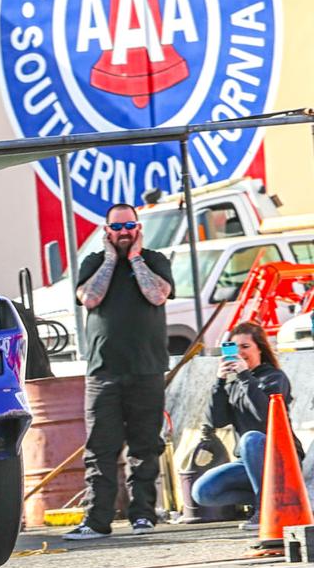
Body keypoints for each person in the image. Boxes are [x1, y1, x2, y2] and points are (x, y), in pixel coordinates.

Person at [63, 203, 174, 541]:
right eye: (117, 227)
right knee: (100, 449)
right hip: (103, 373)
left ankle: (143, 516)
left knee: (145, 447)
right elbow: (89, 298)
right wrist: (111, 260)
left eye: (129, 226)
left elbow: (158, 295)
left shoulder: (155, 260)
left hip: (147, 371)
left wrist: (136, 258)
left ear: (138, 228)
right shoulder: (94, 262)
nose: (123, 233)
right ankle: (97, 520)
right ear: (106, 231)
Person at [191, 321, 301, 531]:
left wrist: (244, 376)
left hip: (281, 457)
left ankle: (265, 510)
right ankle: (277, 499)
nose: (240, 353)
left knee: (251, 438)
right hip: (249, 463)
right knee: (203, 492)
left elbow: (265, 416)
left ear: (260, 349)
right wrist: (220, 382)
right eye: (235, 347)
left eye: (245, 346)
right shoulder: (234, 384)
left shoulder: (274, 377)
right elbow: (216, 421)